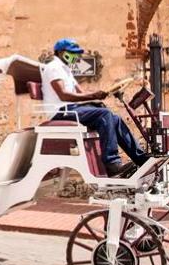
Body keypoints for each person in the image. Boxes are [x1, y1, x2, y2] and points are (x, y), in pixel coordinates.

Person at [41, 38, 149, 177]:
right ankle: (112, 164)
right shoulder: (54, 67)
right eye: (72, 53)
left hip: (72, 109)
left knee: (114, 118)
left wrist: (97, 98)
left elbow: (80, 93)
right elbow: (63, 95)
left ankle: (140, 158)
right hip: (61, 112)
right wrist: (93, 96)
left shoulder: (66, 70)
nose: (76, 56)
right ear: (61, 52)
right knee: (105, 114)